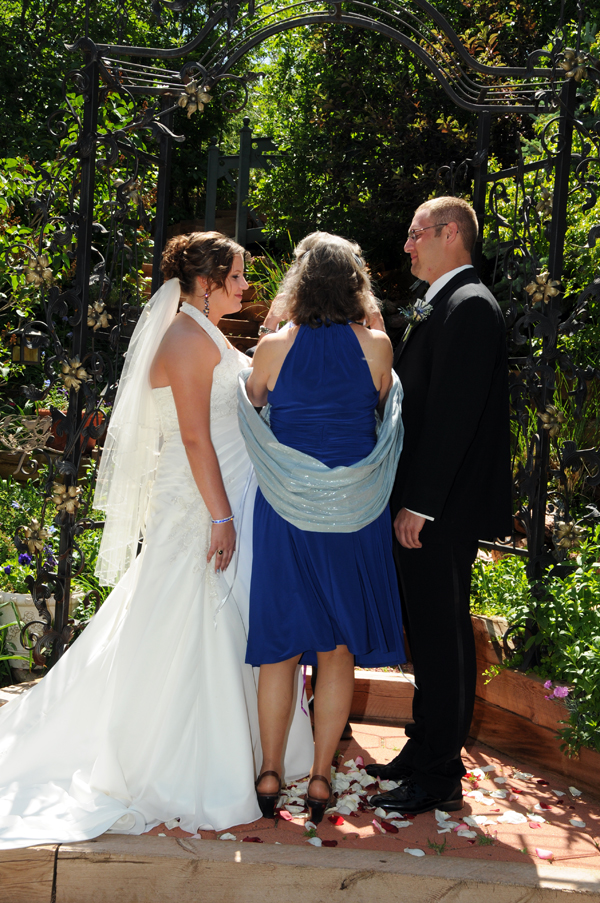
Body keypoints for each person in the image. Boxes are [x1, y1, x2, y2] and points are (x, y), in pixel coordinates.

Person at [0, 232, 313, 850]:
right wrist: (220, 517)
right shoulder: (185, 339)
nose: (245, 286)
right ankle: (181, 766)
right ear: (207, 282)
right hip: (197, 501)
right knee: (187, 617)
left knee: (204, 619)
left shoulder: (204, 332)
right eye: (237, 276)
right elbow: (194, 437)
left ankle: (238, 752)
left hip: (216, 494)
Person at [237, 232, 406, 824]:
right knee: (337, 651)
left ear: (300, 285)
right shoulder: (378, 347)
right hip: (354, 514)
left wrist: (276, 325)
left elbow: (253, 402)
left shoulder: (273, 348)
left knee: (281, 647)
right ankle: (320, 778)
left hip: (286, 511)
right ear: (357, 286)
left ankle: (269, 772)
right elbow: (383, 405)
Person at [367, 197, 512, 815]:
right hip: (429, 502)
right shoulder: (444, 302)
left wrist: (421, 505)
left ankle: (439, 774)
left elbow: (454, 416)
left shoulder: (470, 305)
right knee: (426, 633)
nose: (407, 245)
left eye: (415, 233)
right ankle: (424, 744)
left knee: (443, 634)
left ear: (450, 234)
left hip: (442, 510)